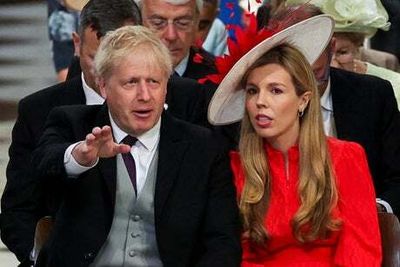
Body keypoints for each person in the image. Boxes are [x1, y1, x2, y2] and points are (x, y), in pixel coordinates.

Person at [32, 25, 241, 267]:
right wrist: (78, 158)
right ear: (103, 85)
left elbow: (222, 243)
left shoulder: (203, 147)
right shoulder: (72, 124)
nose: (145, 95)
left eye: (154, 82)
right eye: (131, 83)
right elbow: (42, 167)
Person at [207, 14, 381, 266]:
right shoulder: (234, 167)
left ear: (303, 100)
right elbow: (236, 254)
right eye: (253, 91)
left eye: (275, 90)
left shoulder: (346, 157)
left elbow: (361, 250)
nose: (260, 102)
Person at [0, 1, 141, 266]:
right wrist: (41, 258)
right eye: (95, 59)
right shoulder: (38, 110)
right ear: (76, 44)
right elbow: (17, 211)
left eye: (117, 61)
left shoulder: (176, 101)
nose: (105, 74)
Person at [270, 1, 400, 217]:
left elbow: (397, 178)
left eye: (314, 71)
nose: (305, 84)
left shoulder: (373, 96)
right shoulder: (257, 105)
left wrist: (375, 210)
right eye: (293, 73)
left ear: (331, 47)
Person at [139, 0, 217, 80]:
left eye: (182, 23)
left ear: (197, 22)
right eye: (158, 23)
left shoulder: (220, 79)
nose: (171, 36)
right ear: (139, 22)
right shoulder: (126, 70)